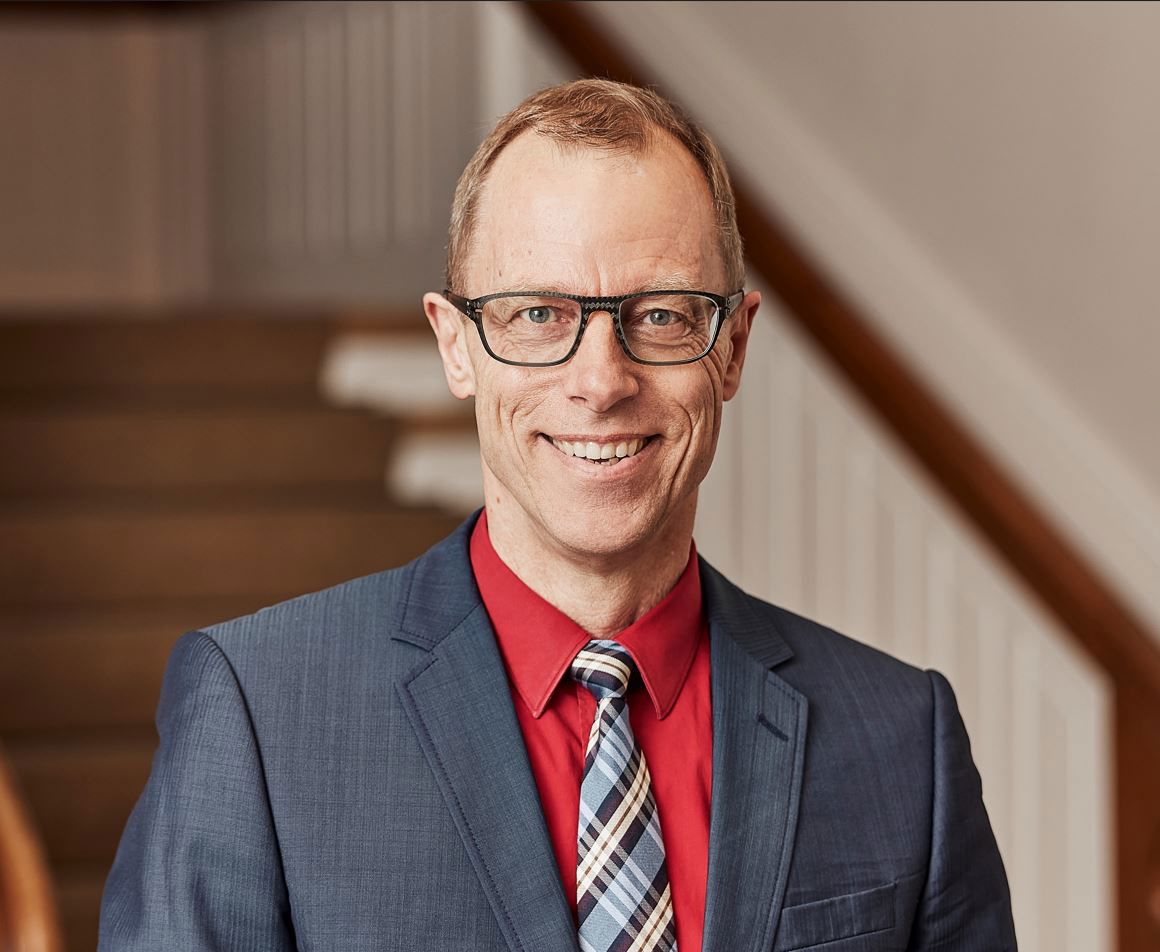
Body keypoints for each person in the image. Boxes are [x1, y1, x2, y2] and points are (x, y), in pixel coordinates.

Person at [99, 79, 1016, 952]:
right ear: (456, 346)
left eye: (662, 315)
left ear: (733, 347)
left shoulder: (903, 741)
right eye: (538, 313)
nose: (600, 381)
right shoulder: (261, 716)